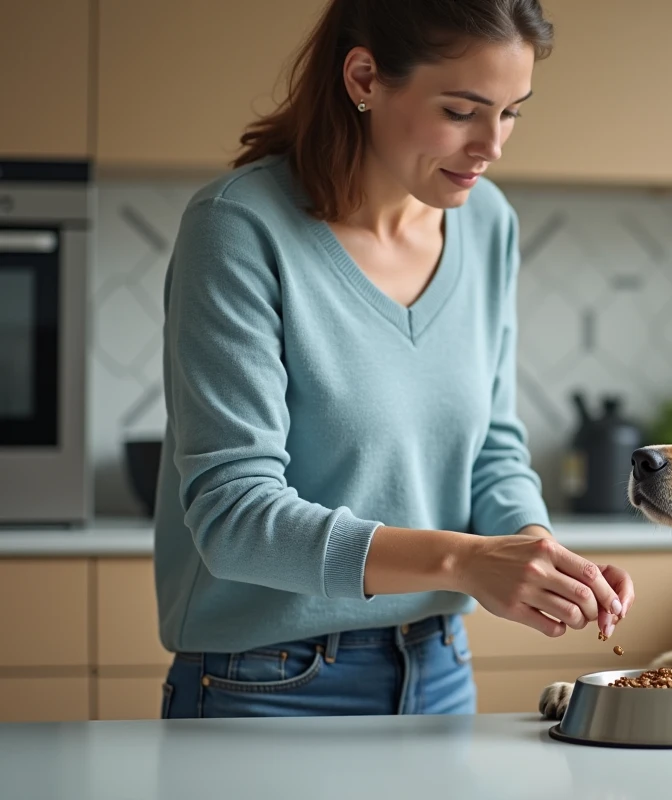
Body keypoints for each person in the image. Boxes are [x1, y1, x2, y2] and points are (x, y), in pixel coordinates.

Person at [153, 0, 634, 719]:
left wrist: (535, 552)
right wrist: (468, 562)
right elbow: (235, 517)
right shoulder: (239, 228)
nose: (491, 146)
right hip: (267, 685)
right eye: (462, 110)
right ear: (365, 77)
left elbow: (491, 449)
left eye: (510, 113)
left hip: (438, 668)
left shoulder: (488, 223)